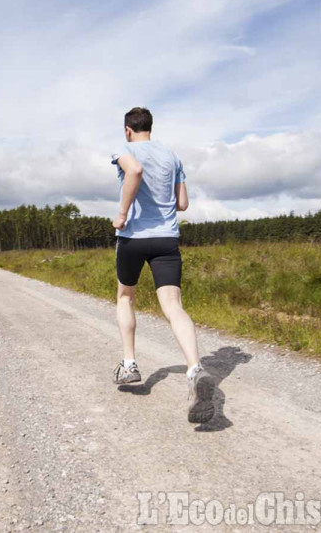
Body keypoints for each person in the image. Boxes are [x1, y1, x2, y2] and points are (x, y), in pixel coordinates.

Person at [110, 107, 215, 424]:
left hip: (133, 238)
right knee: (173, 306)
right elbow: (182, 203)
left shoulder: (124, 150)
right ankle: (195, 368)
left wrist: (122, 213)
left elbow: (135, 171)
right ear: (149, 128)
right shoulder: (172, 156)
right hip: (167, 239)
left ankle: (129, 365)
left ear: (128, 130)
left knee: (126, 296)